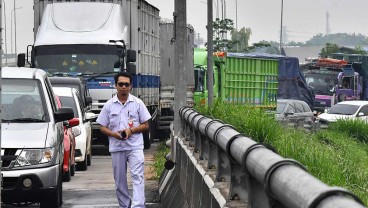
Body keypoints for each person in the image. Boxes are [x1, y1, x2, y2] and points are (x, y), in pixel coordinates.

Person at [96, 71, 151, 208]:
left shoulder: (138, 103)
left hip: (135, 146)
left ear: (131, 86)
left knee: (137, 176)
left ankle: (138, 206)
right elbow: (102, 126)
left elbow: (145, 125)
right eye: (121, 84)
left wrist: (131, 130)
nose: (124, 87)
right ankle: (125, 205)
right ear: (116, 86)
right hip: (117, 147)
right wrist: (113, 134)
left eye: (127, 84)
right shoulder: (109, 105)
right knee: (120, 181)